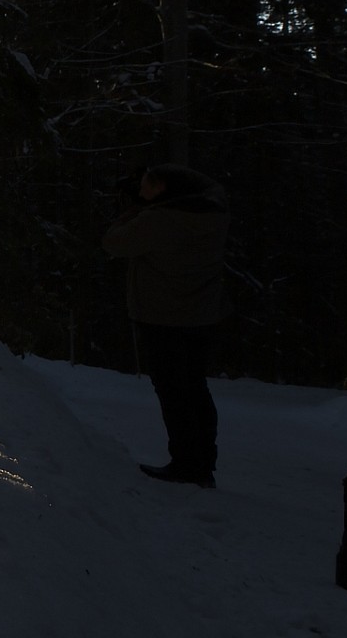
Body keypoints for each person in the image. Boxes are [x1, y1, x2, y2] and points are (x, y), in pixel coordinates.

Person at [103, 163, 230, 488]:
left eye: (146, 187)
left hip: (162, 317)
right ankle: (203, 460)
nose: (141, 193)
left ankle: (187, 464)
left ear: (161, 191)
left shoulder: (160, 220)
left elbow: (114, 243)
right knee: (195, 386)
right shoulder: (211, 212)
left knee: (173, 391)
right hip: (200, 316)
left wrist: (133, 210)